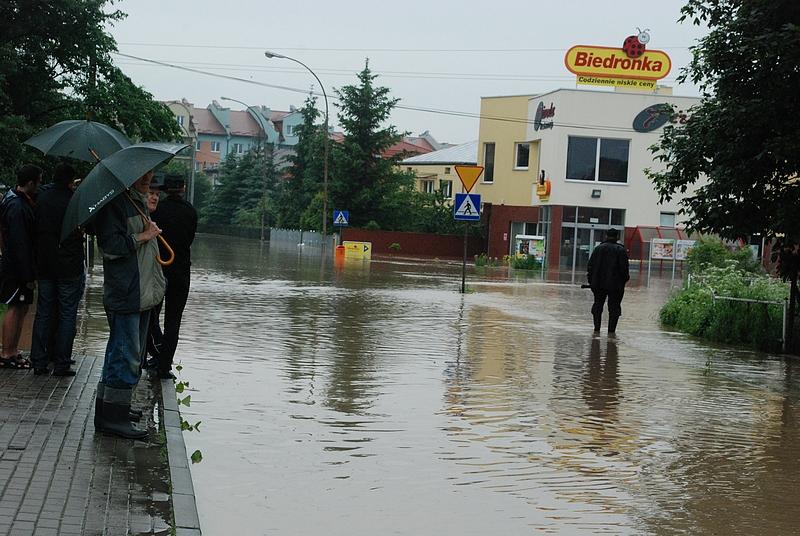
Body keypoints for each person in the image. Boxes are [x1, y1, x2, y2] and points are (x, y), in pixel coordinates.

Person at [94, 170, 165, 439]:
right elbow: (111, 247)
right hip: (127, 292)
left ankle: (113, 409)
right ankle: (112, 418)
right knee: (126, 353)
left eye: (151, 172)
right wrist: (143, 236)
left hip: (141, 291)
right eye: (142, 173)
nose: (148, 177)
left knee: (122, 352)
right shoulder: (116, 205)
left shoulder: (136, 201)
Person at [30, 163, 85, 376]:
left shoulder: (40, 198)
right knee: (67, 312)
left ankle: (39, 361)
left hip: (45, 264)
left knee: (44, 311)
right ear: (71, 181)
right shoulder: (75, 201)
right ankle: (61, 362)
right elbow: (84, 228)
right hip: (69, 265)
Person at [149, 174, 197, 379]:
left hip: (159, 269)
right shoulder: (191, 212)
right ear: (184, 188)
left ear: (165, 190)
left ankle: (153, 354)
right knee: (173, 321)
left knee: (151, 316)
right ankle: (164, 366)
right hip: (181, 272)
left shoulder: (157, 210)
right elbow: (190, 239)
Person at [0, 164, 42, 369]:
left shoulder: (17, 201)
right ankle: (7, 352)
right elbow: (19, 243)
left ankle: (13, 349)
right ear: (31, 182)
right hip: (16, 269)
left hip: (18, 265)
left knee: (22, 306)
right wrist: (27, 273)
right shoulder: (17, 206)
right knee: (15, 306)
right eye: (39, 181)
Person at [587, 228, 630, 335]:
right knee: (614, 308)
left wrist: (592, 282)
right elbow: (624, 269)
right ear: (617, 237)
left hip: (598, 284)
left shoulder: (598, 249)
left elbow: (590, 267)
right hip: (616, 286)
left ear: (606, 236)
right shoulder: (621, 250)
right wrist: (623, 281)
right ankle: (611, 332)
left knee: (597, 305)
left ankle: (596, 329)